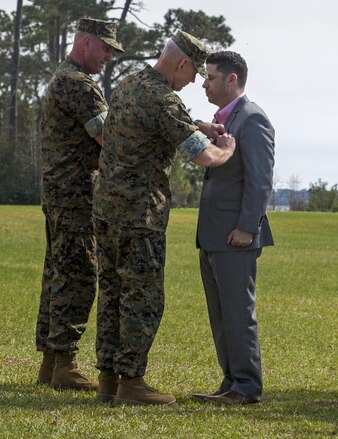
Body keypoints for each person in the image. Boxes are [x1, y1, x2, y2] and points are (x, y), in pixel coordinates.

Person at [92, 31, 237, 406]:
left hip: (105, 210)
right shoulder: (163, 99)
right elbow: (204, 158)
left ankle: (108, 380)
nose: (193, 83)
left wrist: (198, 127)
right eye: (193, 75)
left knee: (111, 294)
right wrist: (225, 148)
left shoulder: (128, 84)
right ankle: (133, 383)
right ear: (183, 64)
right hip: (139, 216)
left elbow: (123, 132)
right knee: (144, 299)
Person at [35, 17, 124, 391]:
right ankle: (65, 363)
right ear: (86, 42)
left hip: (61, 192)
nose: (108, 58)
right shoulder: (78, 84)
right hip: (76, 196)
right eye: (105, 49)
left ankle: (52, 362)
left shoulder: (63, 77)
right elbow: (111, 138)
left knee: (58, 272)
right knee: (78, 274)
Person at [190, 51, 275, 405]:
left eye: (209, 77)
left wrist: (246, 228)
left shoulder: (252, 119)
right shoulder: (223, 121)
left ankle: (246, 386)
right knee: (221, 314)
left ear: (231, 80)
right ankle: (231, 382)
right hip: (213, 235)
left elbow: (260, 181)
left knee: (238, 313)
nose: (203, 83)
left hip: (235, 237)